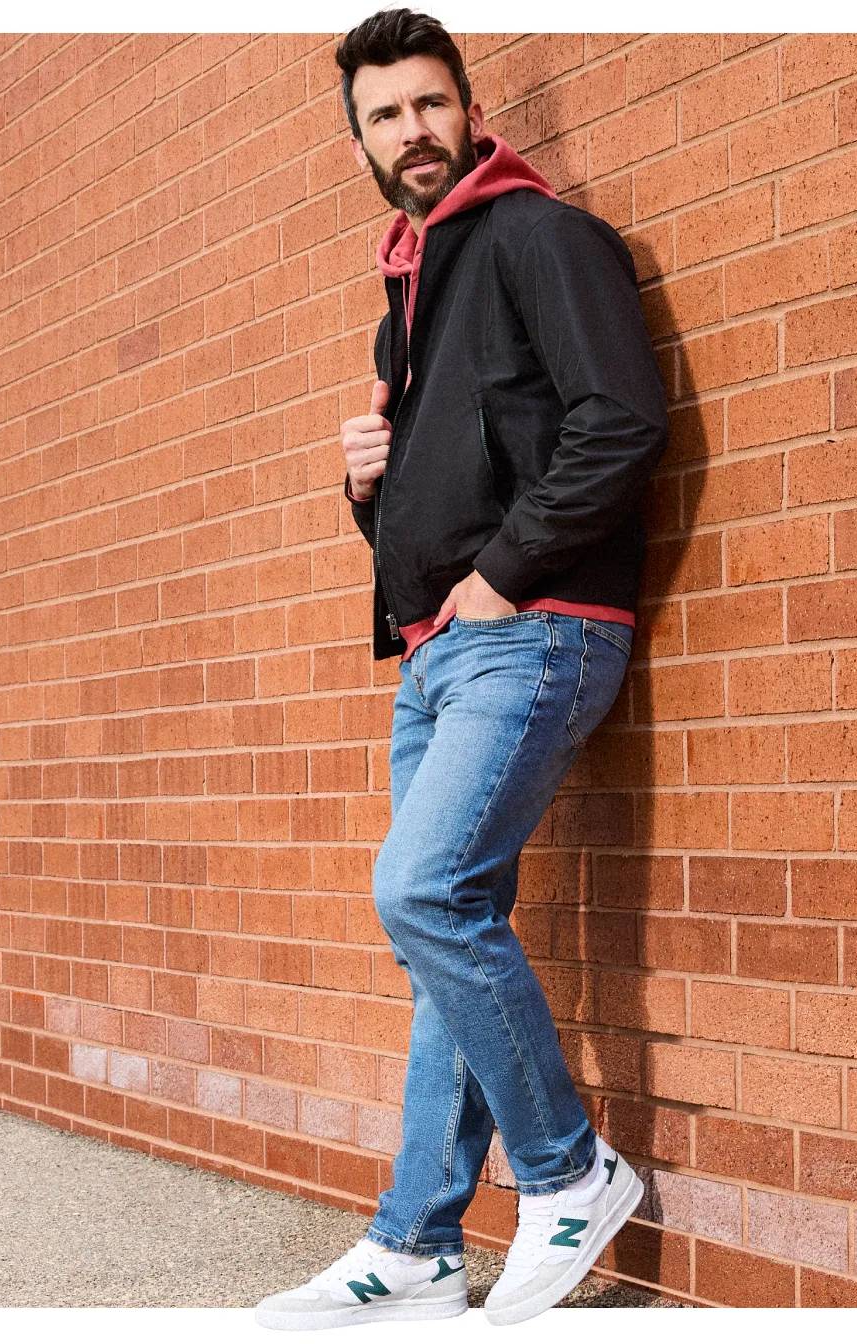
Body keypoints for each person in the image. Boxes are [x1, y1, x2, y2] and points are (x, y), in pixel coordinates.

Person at [255, 7, 669, 1331]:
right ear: (362, 140)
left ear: (468, 109)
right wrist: (363, 491)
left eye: (429, 104)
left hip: (533, 627)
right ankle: (418, 1250)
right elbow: (434, 501)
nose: (411, 131)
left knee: (423, 895)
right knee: (440, 933)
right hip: (440, 652)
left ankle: (568, 1171)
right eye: (384, 116)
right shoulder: (406, 297)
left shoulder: (541, 238)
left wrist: (497, 582)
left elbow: (619, 422)